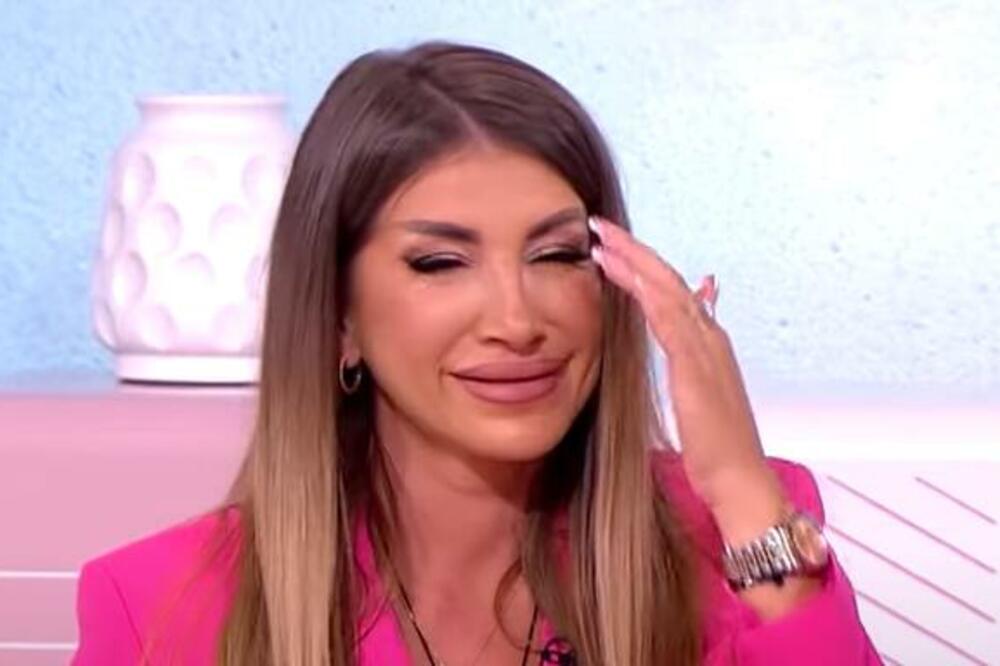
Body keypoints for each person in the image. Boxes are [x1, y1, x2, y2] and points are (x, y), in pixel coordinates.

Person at [72, 41, 881, 665]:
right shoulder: (157, 608)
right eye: (440, 262)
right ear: (338, 317)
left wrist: (741, 488)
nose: (517, 320)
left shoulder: (743, 539)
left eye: (557, 254)